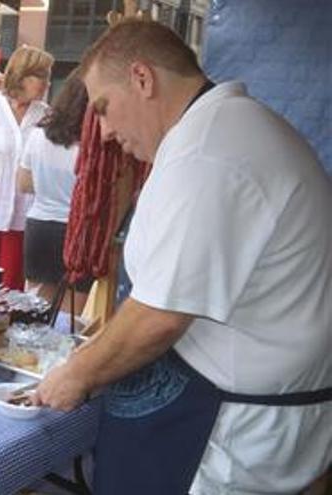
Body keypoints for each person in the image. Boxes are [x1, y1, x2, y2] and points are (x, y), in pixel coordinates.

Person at [34, 19, 332, 493]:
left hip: (235, 431)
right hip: (267, 412)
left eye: (105, 109)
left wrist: (75, 374)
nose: (105, 132)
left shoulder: (207, 153)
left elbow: (160, 316)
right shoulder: (228, 130)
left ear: (142, 78)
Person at [0, 45, 53, 290]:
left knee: (10, 292)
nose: (47, 83)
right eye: (42, 76)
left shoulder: (47, 116)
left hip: (23, 218)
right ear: (23, 75)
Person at [17, 71, 92, 310]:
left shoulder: (38, 135)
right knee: (69, 318)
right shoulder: (93, 146)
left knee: (33, 313)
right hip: (79, 231)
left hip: (39, 226)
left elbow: (24, 183)